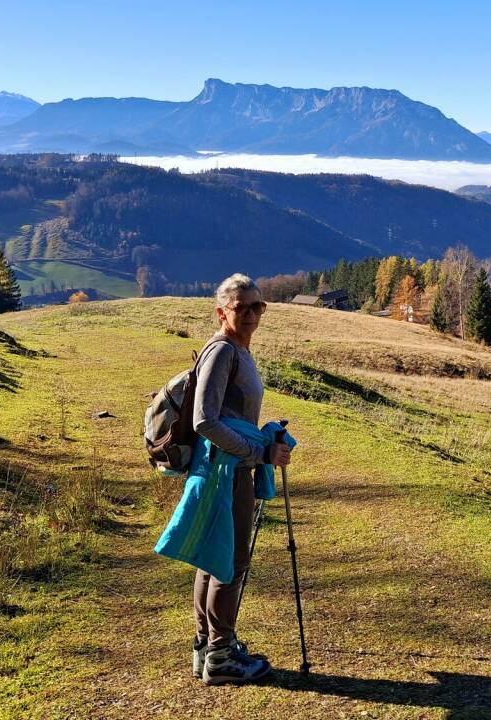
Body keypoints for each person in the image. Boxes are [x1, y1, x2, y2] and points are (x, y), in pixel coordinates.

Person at [190, 273, 291, 684]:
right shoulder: (222, 352)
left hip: (230, 468)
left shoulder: (238, 350)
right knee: (230, 561)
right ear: (221, 312)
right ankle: (221, 655)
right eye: (241, 307)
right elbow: (204, 421)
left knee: (215, 557)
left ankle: (207, 647)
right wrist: (259, 452)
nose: (251, 314)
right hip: (227, 471)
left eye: (257, 306)